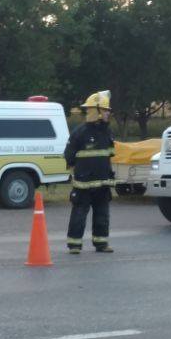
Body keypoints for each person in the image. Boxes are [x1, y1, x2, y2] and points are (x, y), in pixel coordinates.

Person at [64, 90, 115, 254]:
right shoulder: (80, 133)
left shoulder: (107, 132)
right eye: (106, 110)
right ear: (97, 111)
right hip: (83, 185)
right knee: (79, 214)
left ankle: (101, 243)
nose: (108, 113)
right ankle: (74, 245)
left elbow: (109, 155)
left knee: (102, 215)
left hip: (103, 183)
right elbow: (69, 155)